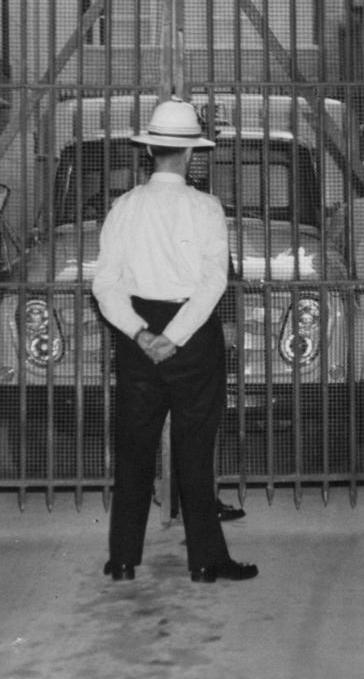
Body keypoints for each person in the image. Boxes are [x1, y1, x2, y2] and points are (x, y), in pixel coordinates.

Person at [92, 96, 258, 583]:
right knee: (195, 452)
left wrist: (142, 333)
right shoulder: (206, 208)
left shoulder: (123, 207)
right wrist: (175, 336)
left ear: (150, 152)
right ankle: (207, 560)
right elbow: (214, 284)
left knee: (134, 451)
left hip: (137, 337)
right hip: (193, 336)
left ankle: (122, 559)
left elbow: (105, 284)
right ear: (189, 154)